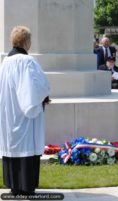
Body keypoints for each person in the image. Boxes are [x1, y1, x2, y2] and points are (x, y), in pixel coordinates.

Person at [0, 26, 50, 195]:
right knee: (27, 147)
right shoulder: (27, 61)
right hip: (25, 118)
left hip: (9, 116)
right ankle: (27, 188)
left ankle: (14, 187)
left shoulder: (5, 62)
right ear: (26, 42)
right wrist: (44, 96)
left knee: (12, 148)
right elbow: (37, 87)